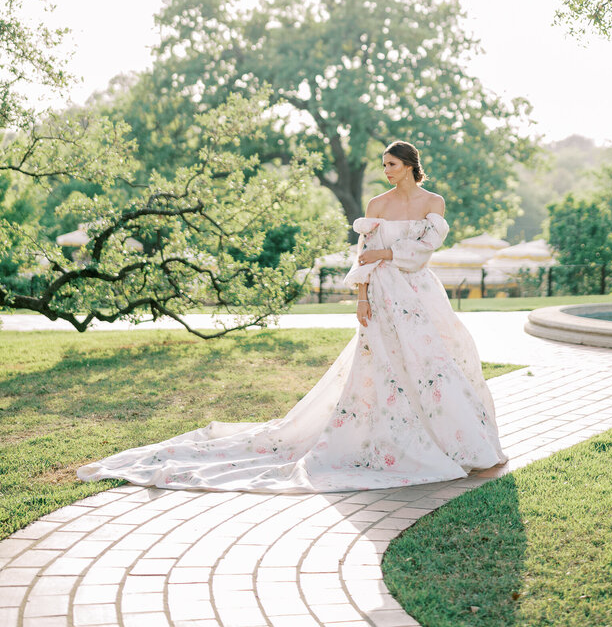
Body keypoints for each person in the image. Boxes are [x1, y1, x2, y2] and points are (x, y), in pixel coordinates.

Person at [76, 140, 507, 493]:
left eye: (392, 165)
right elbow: (362, 256)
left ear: (411, 165)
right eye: (383, 165)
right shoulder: (376, 203)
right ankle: (391, 441)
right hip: (380, 293)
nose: (386, 171)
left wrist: (387, 252)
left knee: (434, 363)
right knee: (384, 367)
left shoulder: (435, 202)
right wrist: (362, 296)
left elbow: (423, 253)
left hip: (419, 293)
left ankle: (465, 447)